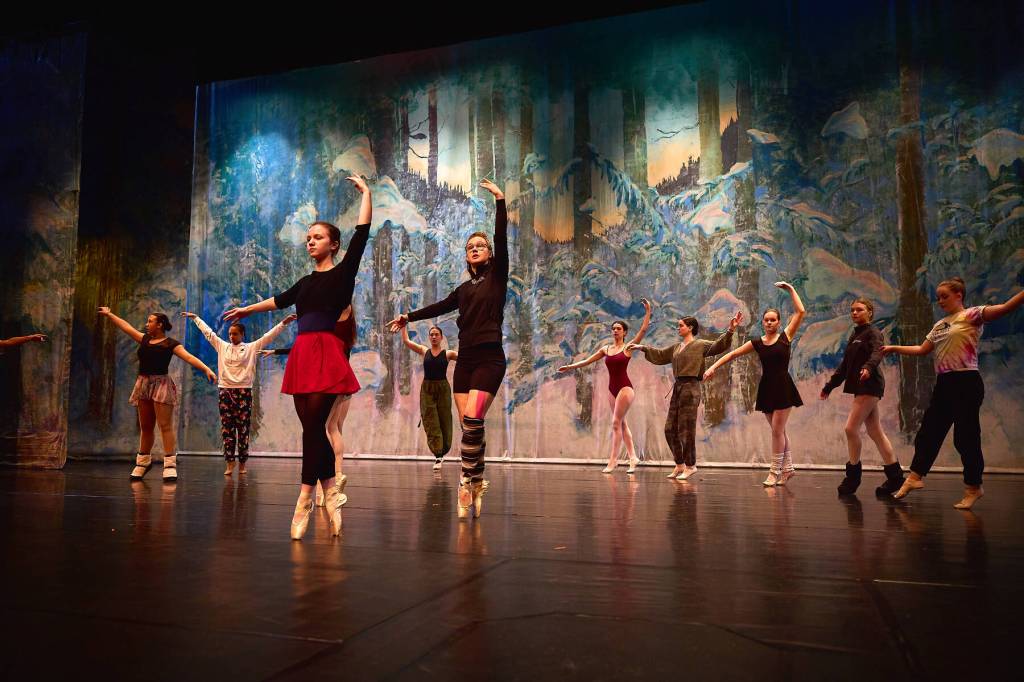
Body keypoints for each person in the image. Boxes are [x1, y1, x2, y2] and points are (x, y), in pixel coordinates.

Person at [224, 175, 371, 539]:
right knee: (311, 429)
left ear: (333, 244)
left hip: (326, 352)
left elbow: (362, 236)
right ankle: (330, 490)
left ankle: (305, 496)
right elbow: (278, 300)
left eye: (317, 237)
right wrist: (246, 310)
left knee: (315, 425)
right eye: (307, 238)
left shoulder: (342, 274)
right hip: (304, 354)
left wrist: (368, 194)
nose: (310, 241)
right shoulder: (305, 283)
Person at [387, 179, 506, 518]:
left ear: (490, 253)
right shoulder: (464, 288)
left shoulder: (498, 276)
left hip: (490, 358)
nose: (475, 248)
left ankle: (465, 482)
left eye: (481, 245)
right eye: (471, 246)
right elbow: (439, 306)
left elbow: (501, 238)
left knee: (472, 419)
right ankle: (477, 478)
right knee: (471, 427)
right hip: (466, 361)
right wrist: (409, 315)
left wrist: (499, 200)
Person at [883, 277, 1024, 509]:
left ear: (959, 295)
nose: (940, 301)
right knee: (929, 431)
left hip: (966, 381)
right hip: (945, 383)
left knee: (965, 437)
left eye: (945, 296)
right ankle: (915, 477)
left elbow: (1006, 308)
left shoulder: (972, 315)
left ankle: (973, 487)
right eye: (938, 297)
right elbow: (922, 349)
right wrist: (893, 348)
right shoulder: (940, 325)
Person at [703, 282, 806, 486]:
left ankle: (774, 471)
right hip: (767, 387)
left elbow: (800, 311)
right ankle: (788, 468)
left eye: (773, 320)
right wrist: (713, 367)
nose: (769, 323)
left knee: (777, 431)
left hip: (783, 387)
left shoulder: (786, 337)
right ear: (763, 322)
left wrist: (790, 289)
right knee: (780, 431)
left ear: (778, 322)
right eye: (766, 320)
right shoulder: (757, 343)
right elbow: (732, 354)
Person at [97, 308, 216, 482]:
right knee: (146, 426)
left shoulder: (170, 344)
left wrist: (206, 368)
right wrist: (110, 314)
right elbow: (126, 327)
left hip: (161, 384)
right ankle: (143, 462)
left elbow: (189, 358)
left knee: (165, 426)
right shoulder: (144, 339)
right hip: (144, 384)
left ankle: (169, 465)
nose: (147, 324)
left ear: (159, 325)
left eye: (150, 321)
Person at [628, 310, 740, 480]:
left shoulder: (700, 345)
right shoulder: (677, 347)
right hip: (678, 388)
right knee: (669, 429)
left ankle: (690, 465)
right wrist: (642, 347)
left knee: (686, 429)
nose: (678, 328)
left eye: (680, 326)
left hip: (691, 388)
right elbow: (659, 355)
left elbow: (720, 345)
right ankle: (680, 464)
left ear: (690, 327)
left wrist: (731, 330)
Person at [182, 311, 295, 475]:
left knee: (242, 430)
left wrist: (284, 323)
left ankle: (242, 463)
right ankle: (230, 463)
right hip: (225, 392)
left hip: (243, 393)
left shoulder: (250, 348)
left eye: (235, 334)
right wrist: (196, 319)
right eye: (230, 334)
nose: (231, 337)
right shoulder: (222, 346)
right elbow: (209, 333)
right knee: (227, 430)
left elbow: (269, 336)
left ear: (242, 334)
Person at [819, 298, 903, 496]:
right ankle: (896, 477)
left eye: (859, 309)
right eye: (852, 310)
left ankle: (853, 477)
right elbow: (845, 366)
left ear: (870, 312)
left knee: (850, 429)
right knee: (875, 431)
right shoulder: (855, 335)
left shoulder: (873, 333)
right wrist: (830, 386)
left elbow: (877, 353)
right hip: (861, 386)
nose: (854, 313)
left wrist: (867, 367)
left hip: (870, 385)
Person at [558, 299, 652, 473]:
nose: (615, 331)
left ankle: (613, 461)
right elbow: (587, 361)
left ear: (624, 332)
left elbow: (643, 330)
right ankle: (633, 457)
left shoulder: (628, 347)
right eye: (613, 328)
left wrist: (647, 312)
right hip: (612, 389)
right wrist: (570, 367)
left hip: (625, 388)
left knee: (615, 423)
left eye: (619, 329)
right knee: (621, 424)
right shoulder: (606, 349)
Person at [401, 324, 458, 470]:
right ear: (429, 337)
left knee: (444, 418)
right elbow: (407, 341)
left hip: (442, 389)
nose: (433, 337)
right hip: (427, 389)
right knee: (430, 419)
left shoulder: (448, 353)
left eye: (436, 334)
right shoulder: (424, 350)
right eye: (431, 334)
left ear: (441, 337)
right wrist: (403, 327)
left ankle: (444, 449)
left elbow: (467, 358)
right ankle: (438, 455)